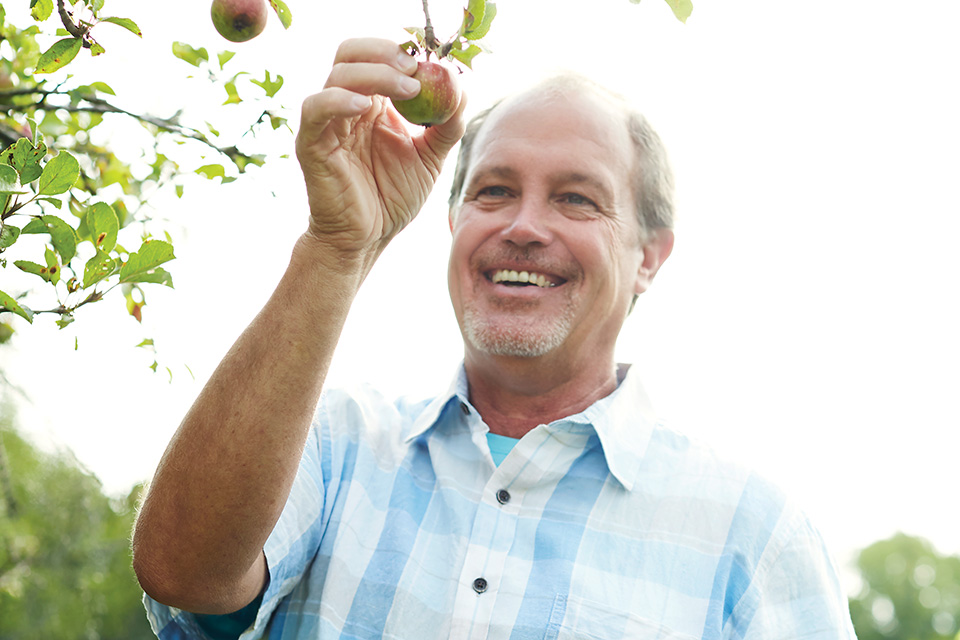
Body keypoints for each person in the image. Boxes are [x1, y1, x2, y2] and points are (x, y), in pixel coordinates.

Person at [132, 38, 858, 639]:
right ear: (451, 224)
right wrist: (336, 245)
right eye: (493, 191)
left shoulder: (754, 536)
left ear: (649, 258)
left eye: (576, 198)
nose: (523, 226)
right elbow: (182, 574)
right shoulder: (334, 445)